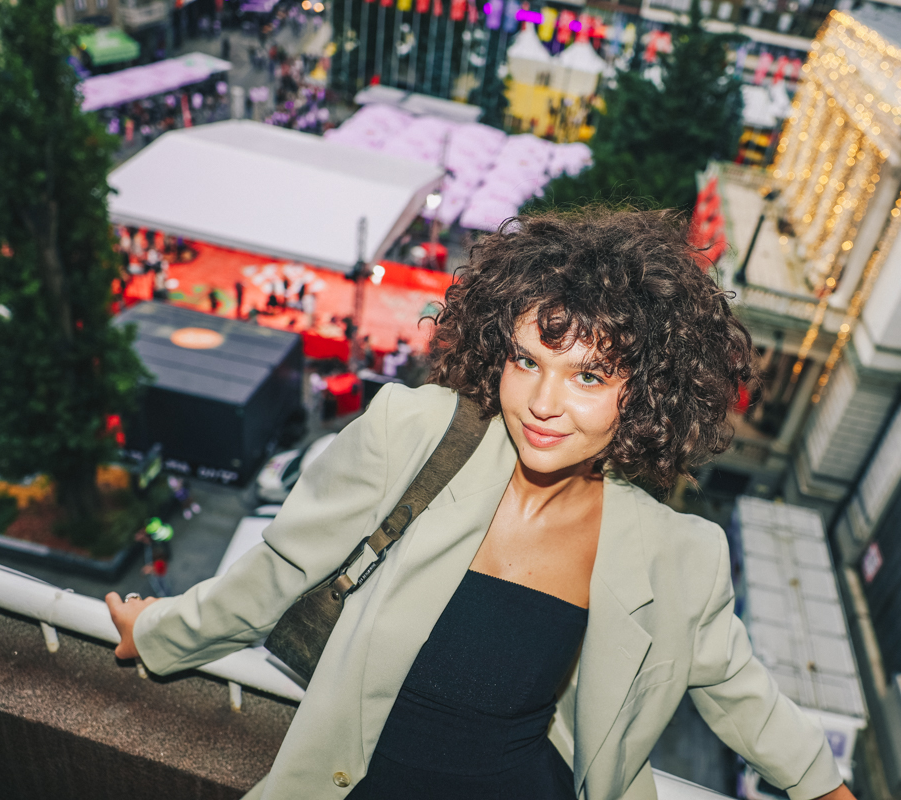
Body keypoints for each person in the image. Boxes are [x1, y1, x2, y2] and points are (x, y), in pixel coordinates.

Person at [107, 208, 855, 800]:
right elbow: (279, 570)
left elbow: (733, 687)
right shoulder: (414, 434)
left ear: (648, 393)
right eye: (527, 360)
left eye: (589, 376)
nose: (544, 402)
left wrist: (824, 788)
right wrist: (161, 633)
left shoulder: (677, 552)